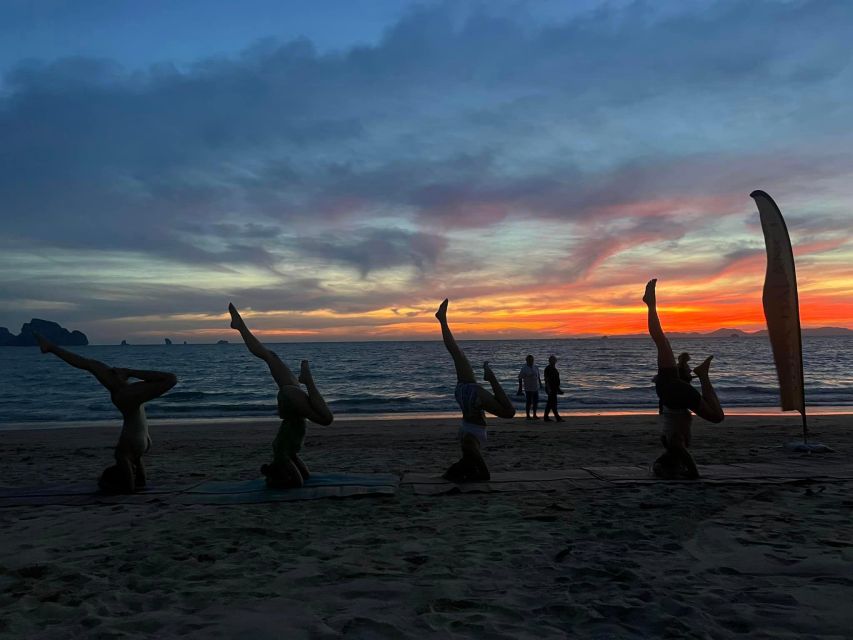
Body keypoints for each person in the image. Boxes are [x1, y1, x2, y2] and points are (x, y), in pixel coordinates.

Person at [35, 334, 177, 494]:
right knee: (169, 379)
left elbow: (139, 483)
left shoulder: (124, 456)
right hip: (131, 420)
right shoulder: (121, 456)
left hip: (138, 439)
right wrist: (129, 372)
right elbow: (131, 488)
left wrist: (126, 483)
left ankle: (51, 348)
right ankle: (52, 348)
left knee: (92, 365)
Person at [229, 303, 333, 489]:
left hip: (291, 398)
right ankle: (307, 381)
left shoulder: (282, 454)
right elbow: (302, 478)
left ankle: (240, 327)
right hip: (291, 399)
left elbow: (299, 478)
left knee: (270, 356)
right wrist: (283, 476)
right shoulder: (286, 454)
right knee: (269, 356)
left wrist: (277, 476)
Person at [643, 279, 724, 480]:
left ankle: (704, 376)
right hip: (665, 389)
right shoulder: (668, 441)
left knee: (717, 417)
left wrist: (692, 473)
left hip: (678, 396)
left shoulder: (674, 445)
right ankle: (651, 305)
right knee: (661, 341)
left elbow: (688, 462)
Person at [435, 298, 515, 482]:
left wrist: (458, 473)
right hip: (466, 396)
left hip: (470, 400)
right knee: (457, 354)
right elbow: (484, 475)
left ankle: (442, 320)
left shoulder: (469, 445)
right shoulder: (468, 447)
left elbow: (481, 472)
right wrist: (461, 473)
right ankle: (490, 377)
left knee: (457, 353)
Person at [517, 355, 543, 420]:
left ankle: (534, 415)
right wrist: (520, 388)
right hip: (528, 388)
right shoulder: (524, 368)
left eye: (532, 360)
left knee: (535, 402)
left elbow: (538, 376)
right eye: (530, 360)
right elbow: (520, 378)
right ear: (527, 360)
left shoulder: (535, 367)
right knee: (529, 402)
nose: (531, 361)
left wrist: (540, 384)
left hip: (535, 387)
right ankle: (528, 416)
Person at [543, 355, 564, 422]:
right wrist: (548, 388)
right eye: (552, 360)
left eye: (554, 360)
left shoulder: (554, 369)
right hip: (550, 388)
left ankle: (546, 417)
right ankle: (557, 417)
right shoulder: (548, 368)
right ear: (549, 361)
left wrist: (558, 389)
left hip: (554, 388)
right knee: (553, 403)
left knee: (550, 403)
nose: (554, 361)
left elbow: (556, 380)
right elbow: (547, 379)